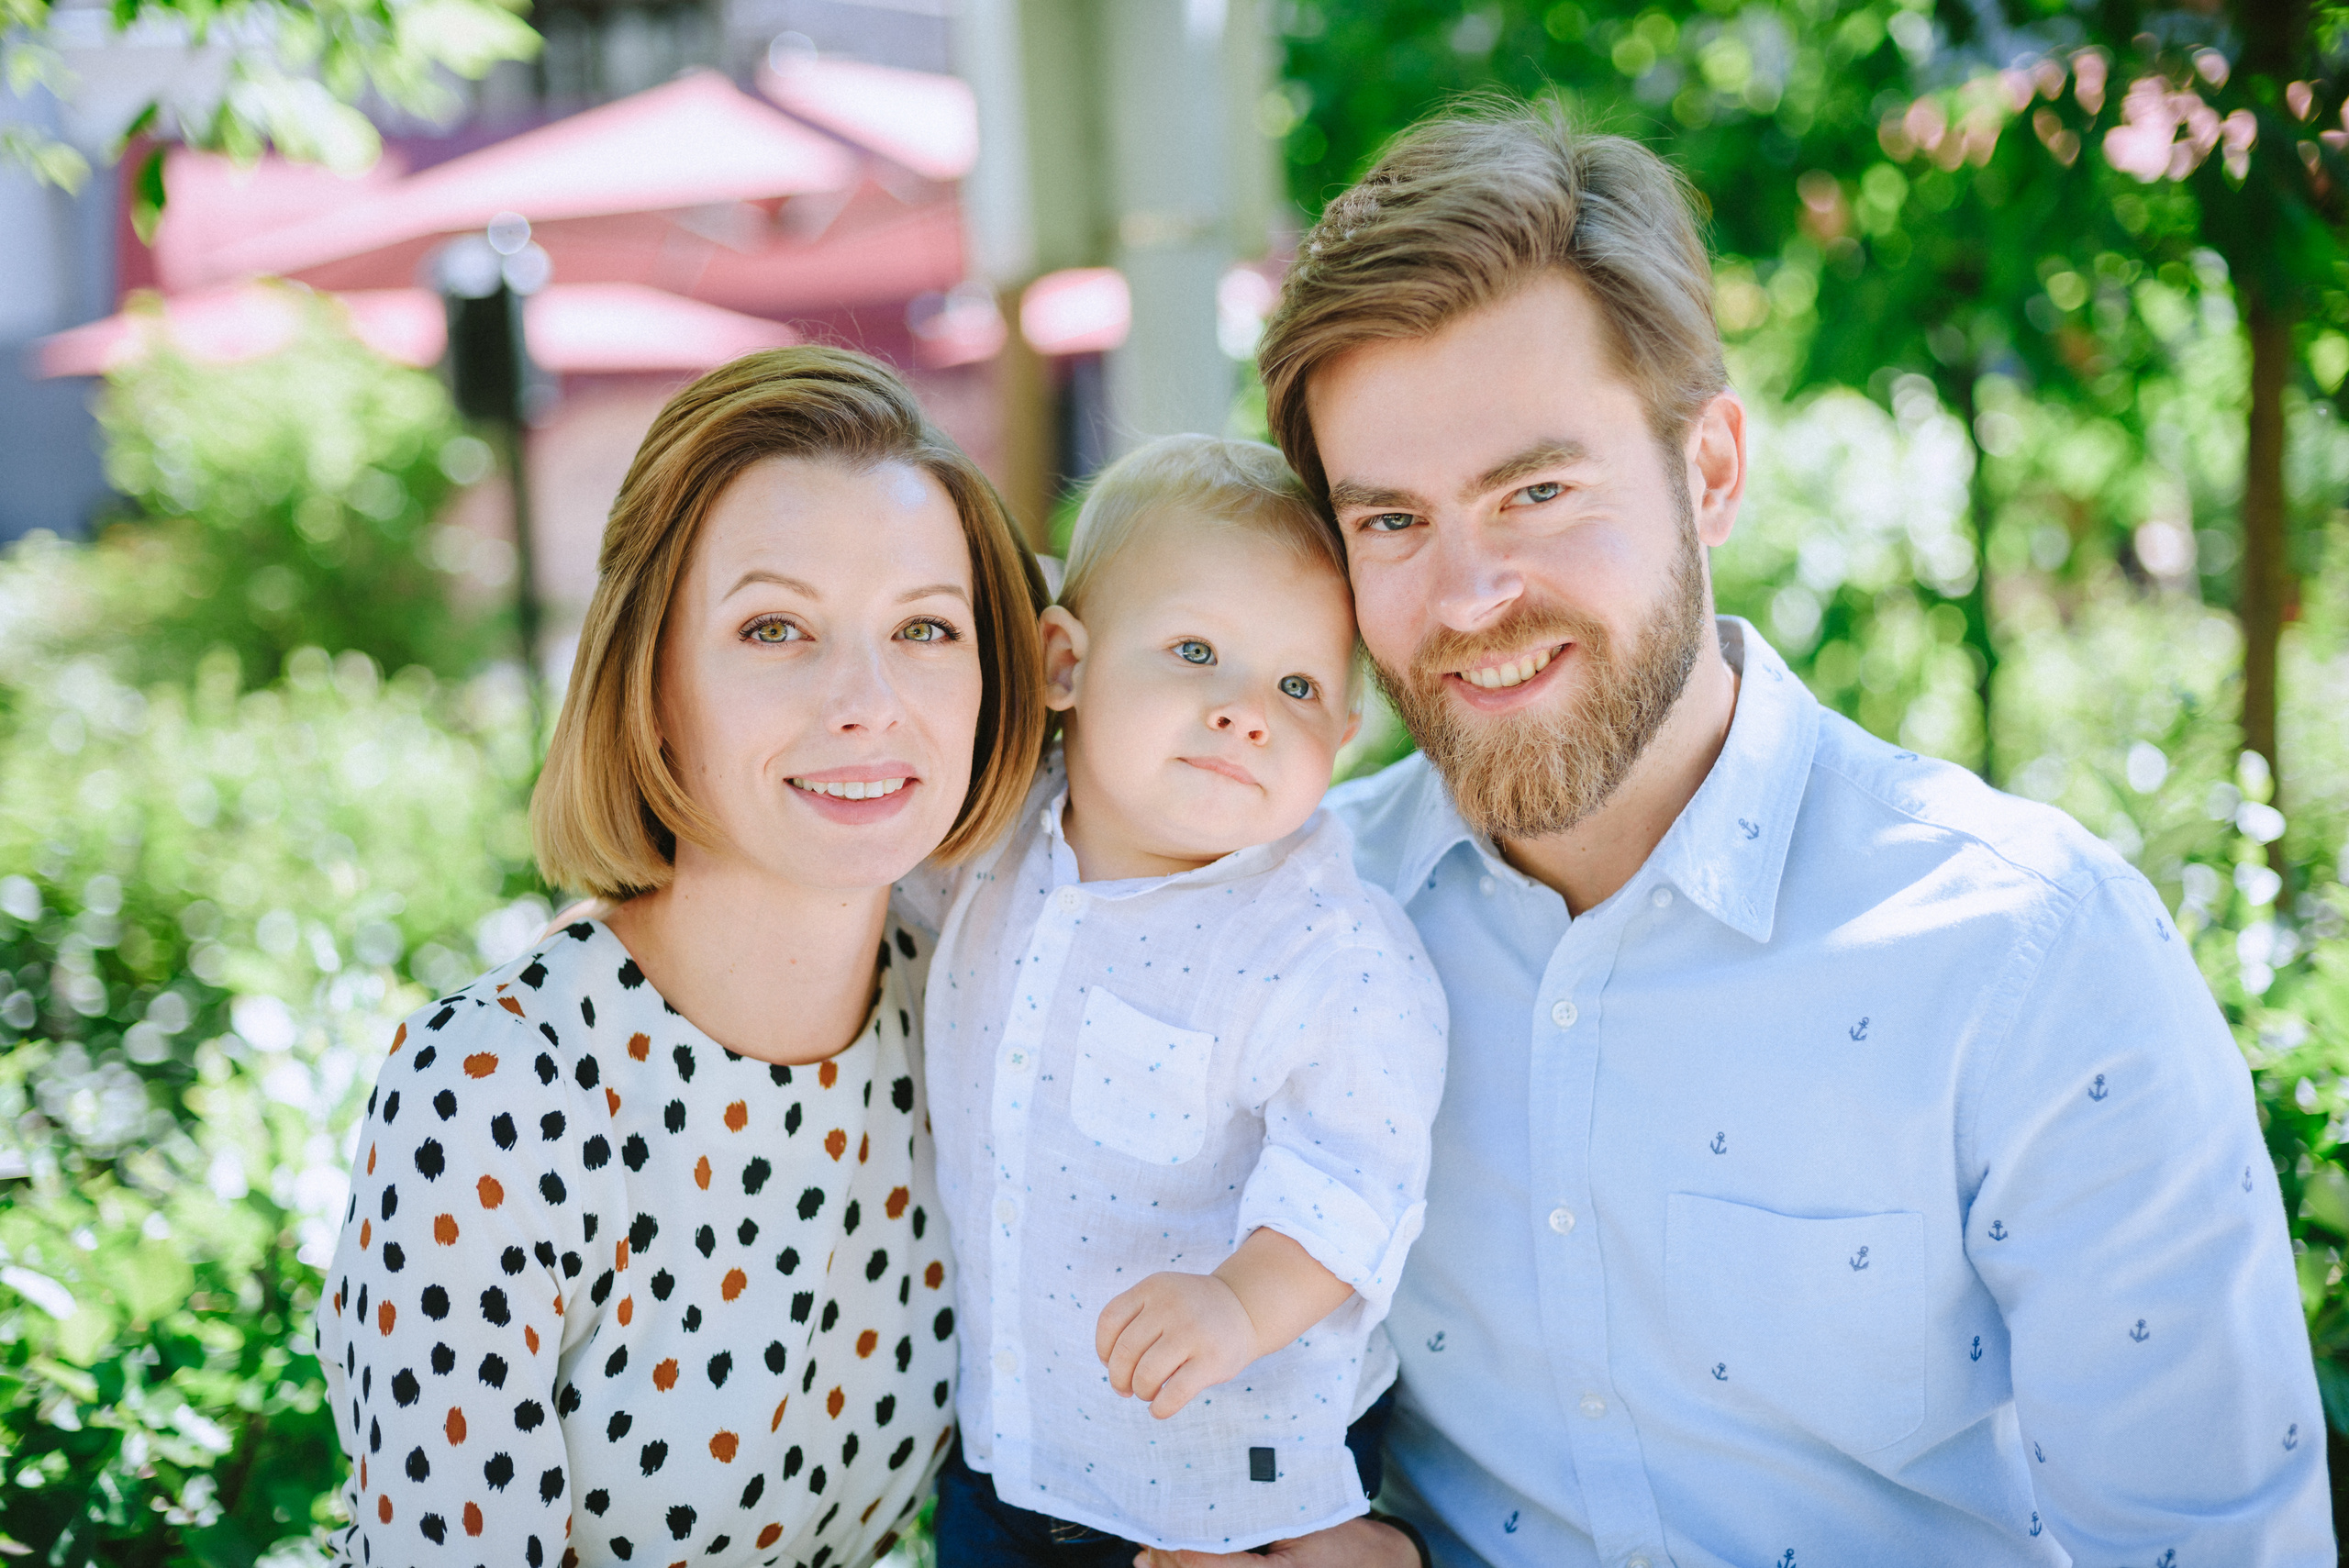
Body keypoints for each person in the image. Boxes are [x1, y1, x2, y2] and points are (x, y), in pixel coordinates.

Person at [1152, 104, 2328, 1567]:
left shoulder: (2029, 959)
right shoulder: (1289, 924)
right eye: (1391, 521)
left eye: (1537, 491)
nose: (1466, 596)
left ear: (1708, 471)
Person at [316, 347, 1051, 1568]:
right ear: (653, 684)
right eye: (775, 628)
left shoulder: (974, 1018)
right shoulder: (500, 1087)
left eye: (926, 626)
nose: (868, 700)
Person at [914, 436, 1448, 1563]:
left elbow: (1355, 1182)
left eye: (1298, 684)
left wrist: (1238, 1304)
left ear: (1341, 739)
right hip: (1013, 1444)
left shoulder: (1325, 949)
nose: (1247, 710)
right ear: (1064, 662)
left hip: (1232, 1484)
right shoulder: (998, 848)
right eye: (1196, 649)